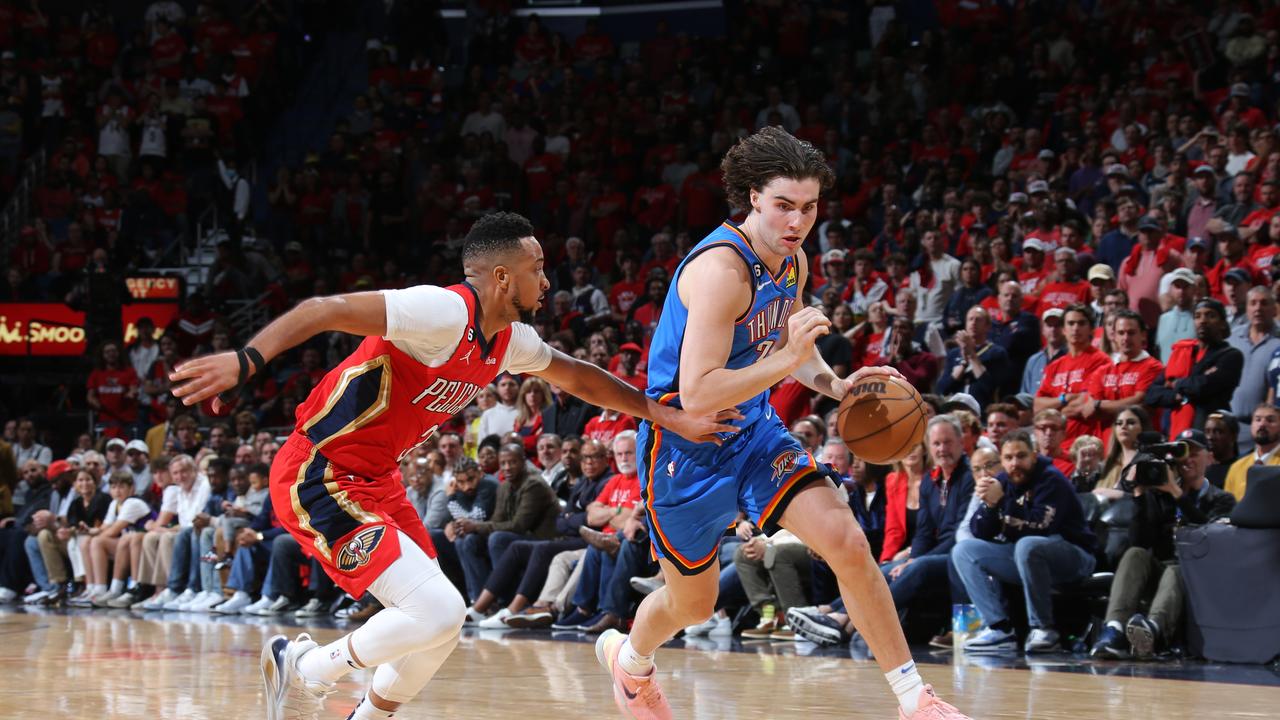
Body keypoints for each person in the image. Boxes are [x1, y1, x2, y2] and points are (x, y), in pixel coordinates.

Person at [169, 212, 735, 720]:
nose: (547, 281)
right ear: (502, 278)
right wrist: (247, 362)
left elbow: (579, 376)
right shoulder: (442, 312)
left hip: (378, 481)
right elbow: (326, 310)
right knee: (437, 610)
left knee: (441, 627)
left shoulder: (507, 340)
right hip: (318, 472)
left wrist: (666, 416)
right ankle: (305, 668)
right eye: (538, 269)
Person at [596, 128, 971, 720]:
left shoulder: (790, 259)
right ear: (751, 198)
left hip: (754, 432)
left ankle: (914, 699)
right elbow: (695, 395)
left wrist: (835, 385)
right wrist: (786, 359)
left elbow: (793, 348)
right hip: (684, 448)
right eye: (783, 206)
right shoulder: (722, 271)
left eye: (809, 207)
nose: (798, 221)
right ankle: (631, 662)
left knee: (847, 541)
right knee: (693, 605)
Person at [1090, 429, 1236, 660]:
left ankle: (1153, 631)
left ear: (1209, 457)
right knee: (1135, 554)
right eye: (1182, 453)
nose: (1187, 459)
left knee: (1178, 568)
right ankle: (1114, 630)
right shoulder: (1159, 495)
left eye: (1195, 452)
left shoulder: (1221, 499)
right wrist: (1139, 495)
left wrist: (1177, 493)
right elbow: (1139, 541)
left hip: (1197, 576)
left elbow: (1209, 536)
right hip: (1159, 572)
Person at [953, 431, 1097, 654]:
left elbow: (1041, 526)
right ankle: (999, 629)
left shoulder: (1051, 479)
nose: (1014, 463)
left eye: (1021, 456)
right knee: (964, 550)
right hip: (1026, 559)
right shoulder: (1002, 480)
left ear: (1034, 455)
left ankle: (1043, 629)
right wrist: (990, 507)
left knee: (1027, 545)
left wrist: (1001, 502)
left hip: (1074, 557)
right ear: (1002, 461)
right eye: (1008, 458)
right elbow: (979, 531)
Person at [1144, 299, 1244, 439]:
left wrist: (1176, 383)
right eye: (1197, 316)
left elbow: (1203, 387)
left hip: (1212, 436)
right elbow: (1152, 394)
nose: (1202, 321)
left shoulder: (1231, 355)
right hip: (1175, 432)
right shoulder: (1183, 353)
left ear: (1222, 323)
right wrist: (1176, 396)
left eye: (1210, 315)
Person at [1033, 304, 1111, 443]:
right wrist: (1064, 399)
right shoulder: (1054, 366)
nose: (1075, 328)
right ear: (1063, 329)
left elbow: (1086, 404)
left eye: (1081, 323)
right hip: (1055, 446)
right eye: (1071, 323)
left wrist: (1052, 411)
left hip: (1086, 443)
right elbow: (1037, 406)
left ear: (1091, 329)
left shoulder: (1101, 361)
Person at [1227, 287, 1280, 452]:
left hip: (1262, 430)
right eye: (1253, 303)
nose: (1258, 308)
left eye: (1264, 303)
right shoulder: (1232, 338)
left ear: (1274, 309)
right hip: (1229, 427)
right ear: (1247, 308)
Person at [936, 306, 1010, 411]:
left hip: (982, 411)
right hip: (955, 411)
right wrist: (963, 364)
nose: (973, 322)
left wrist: (972, 354)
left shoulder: (997, 353)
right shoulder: (954, 353)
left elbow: (990, 387)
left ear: (988, 326)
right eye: (970, 319)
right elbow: (941, 389)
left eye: (978, 319)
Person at [1223, 403, 1280, 500]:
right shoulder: (1236, 467)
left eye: (1270, 420)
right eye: (1258, 419)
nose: (1262, 424)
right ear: (1251, 425)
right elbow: (1227, 507)